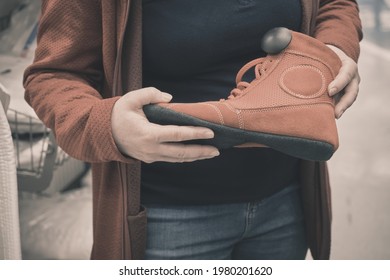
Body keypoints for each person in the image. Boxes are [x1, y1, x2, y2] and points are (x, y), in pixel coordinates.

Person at [24, 0, 362, 260]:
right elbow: (54, 76)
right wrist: (107, 125)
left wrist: (333, 50)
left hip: (286, 199)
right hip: (167, 217)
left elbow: (334, 5)